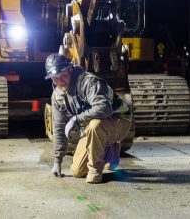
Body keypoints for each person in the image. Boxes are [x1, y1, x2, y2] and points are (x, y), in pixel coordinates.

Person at [45, 53, 135, 184]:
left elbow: (104, 108)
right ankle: (110, 150)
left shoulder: (89, 82)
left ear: (70, 69)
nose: (60, 81)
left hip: (119, 120)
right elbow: (58, 128)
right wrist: (57, 161)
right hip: (94, 128)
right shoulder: (57, 96)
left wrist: (76, 119)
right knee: (77, 171)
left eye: (63, 75)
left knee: (95, 125)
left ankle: (95, 171)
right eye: (55, 78)